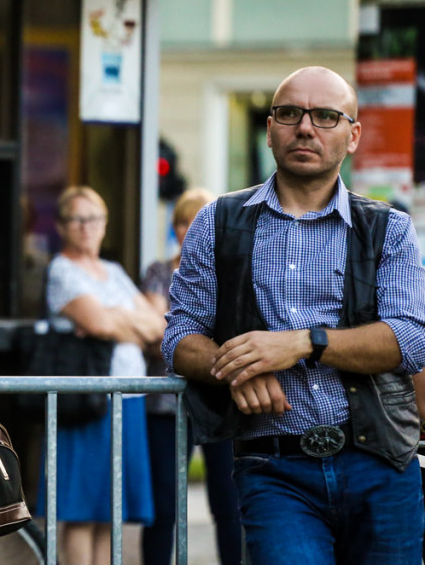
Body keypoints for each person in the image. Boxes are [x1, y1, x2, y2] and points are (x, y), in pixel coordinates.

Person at [163, 66, 425, 564]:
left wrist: (303, 342)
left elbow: (409, 340)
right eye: (289, 113)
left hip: (381, 463)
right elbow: (179, 337)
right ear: (269, 130)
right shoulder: (216, 221)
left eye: (326, 116)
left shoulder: (388, 228)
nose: (305, 127)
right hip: (274, 470)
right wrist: (234, 362)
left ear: (352, 137)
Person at [37, 185, 164, 565]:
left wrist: (115, 321)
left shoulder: (112, 271)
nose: (86, 226)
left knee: (112, 512)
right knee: (80, 510)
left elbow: (158, 326)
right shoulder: (62, 269)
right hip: (87, 402)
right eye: (77, 218)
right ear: (62, 226)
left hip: (130, 401)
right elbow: (98, 322)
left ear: (105, 224)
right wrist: (121, 321)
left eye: (94, 218)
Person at [140, 187, 241, 565]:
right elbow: (157, 334)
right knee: (163, 504)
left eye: (199, 220)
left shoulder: (233, 274)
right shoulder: (158, 271)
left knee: (228, 504)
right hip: (166, 404)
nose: (190, 229)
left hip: (219, 400)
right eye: (183, 221)